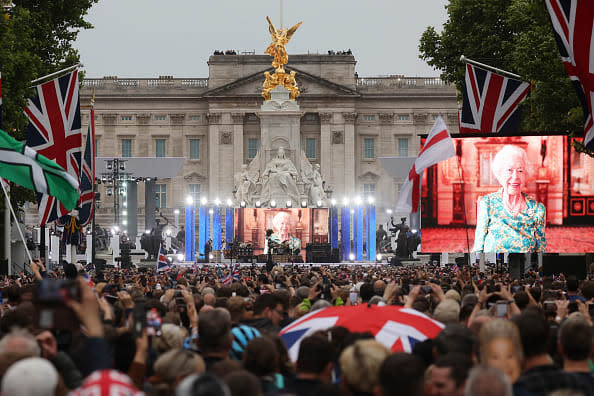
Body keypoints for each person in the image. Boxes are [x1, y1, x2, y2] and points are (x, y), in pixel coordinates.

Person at [473, 145, 546, 253]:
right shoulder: (488, 204)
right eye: (509, 170)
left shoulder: (537, 209)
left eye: (520, 171)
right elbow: (478, 249)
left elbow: (541, 251)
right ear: (500, 173)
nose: (515, 176)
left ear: (526, 174)